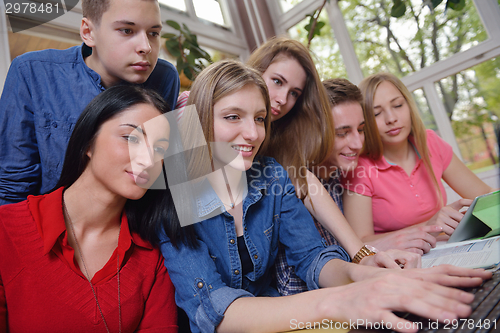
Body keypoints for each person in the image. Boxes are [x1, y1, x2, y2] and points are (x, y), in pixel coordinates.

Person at [158, 59, 491, 333]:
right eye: (233, 117)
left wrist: (366, 270)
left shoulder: (271, 173)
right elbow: (212, 310)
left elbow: (313, 258)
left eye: (260, 119)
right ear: (201, 120)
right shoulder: (173, 194)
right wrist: (341, 300)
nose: (253, 133)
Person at [0, 86, 179, 332]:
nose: (148, 159)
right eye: (131, 138)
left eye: (160, 149)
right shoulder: (5, 229)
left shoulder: (154, 256)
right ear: (88, 143)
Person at [0, 0, 180, 205]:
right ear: (88, 32)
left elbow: (156, 175)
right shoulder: (32, 72)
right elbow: (12, 185)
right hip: (47, 224)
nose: (145, 47)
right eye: (127, 31)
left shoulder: (165, 77)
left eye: (153, 33)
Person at [343, 72, 496, 254]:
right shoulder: (359, 167)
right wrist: (428, 227)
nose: (391, 118)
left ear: (409, 105)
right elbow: (360, 243)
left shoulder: (430, 142)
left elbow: (487, 196)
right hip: (397, 264)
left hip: (445, 251)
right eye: (376, 113)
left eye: (398, 105)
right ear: (365, 122)